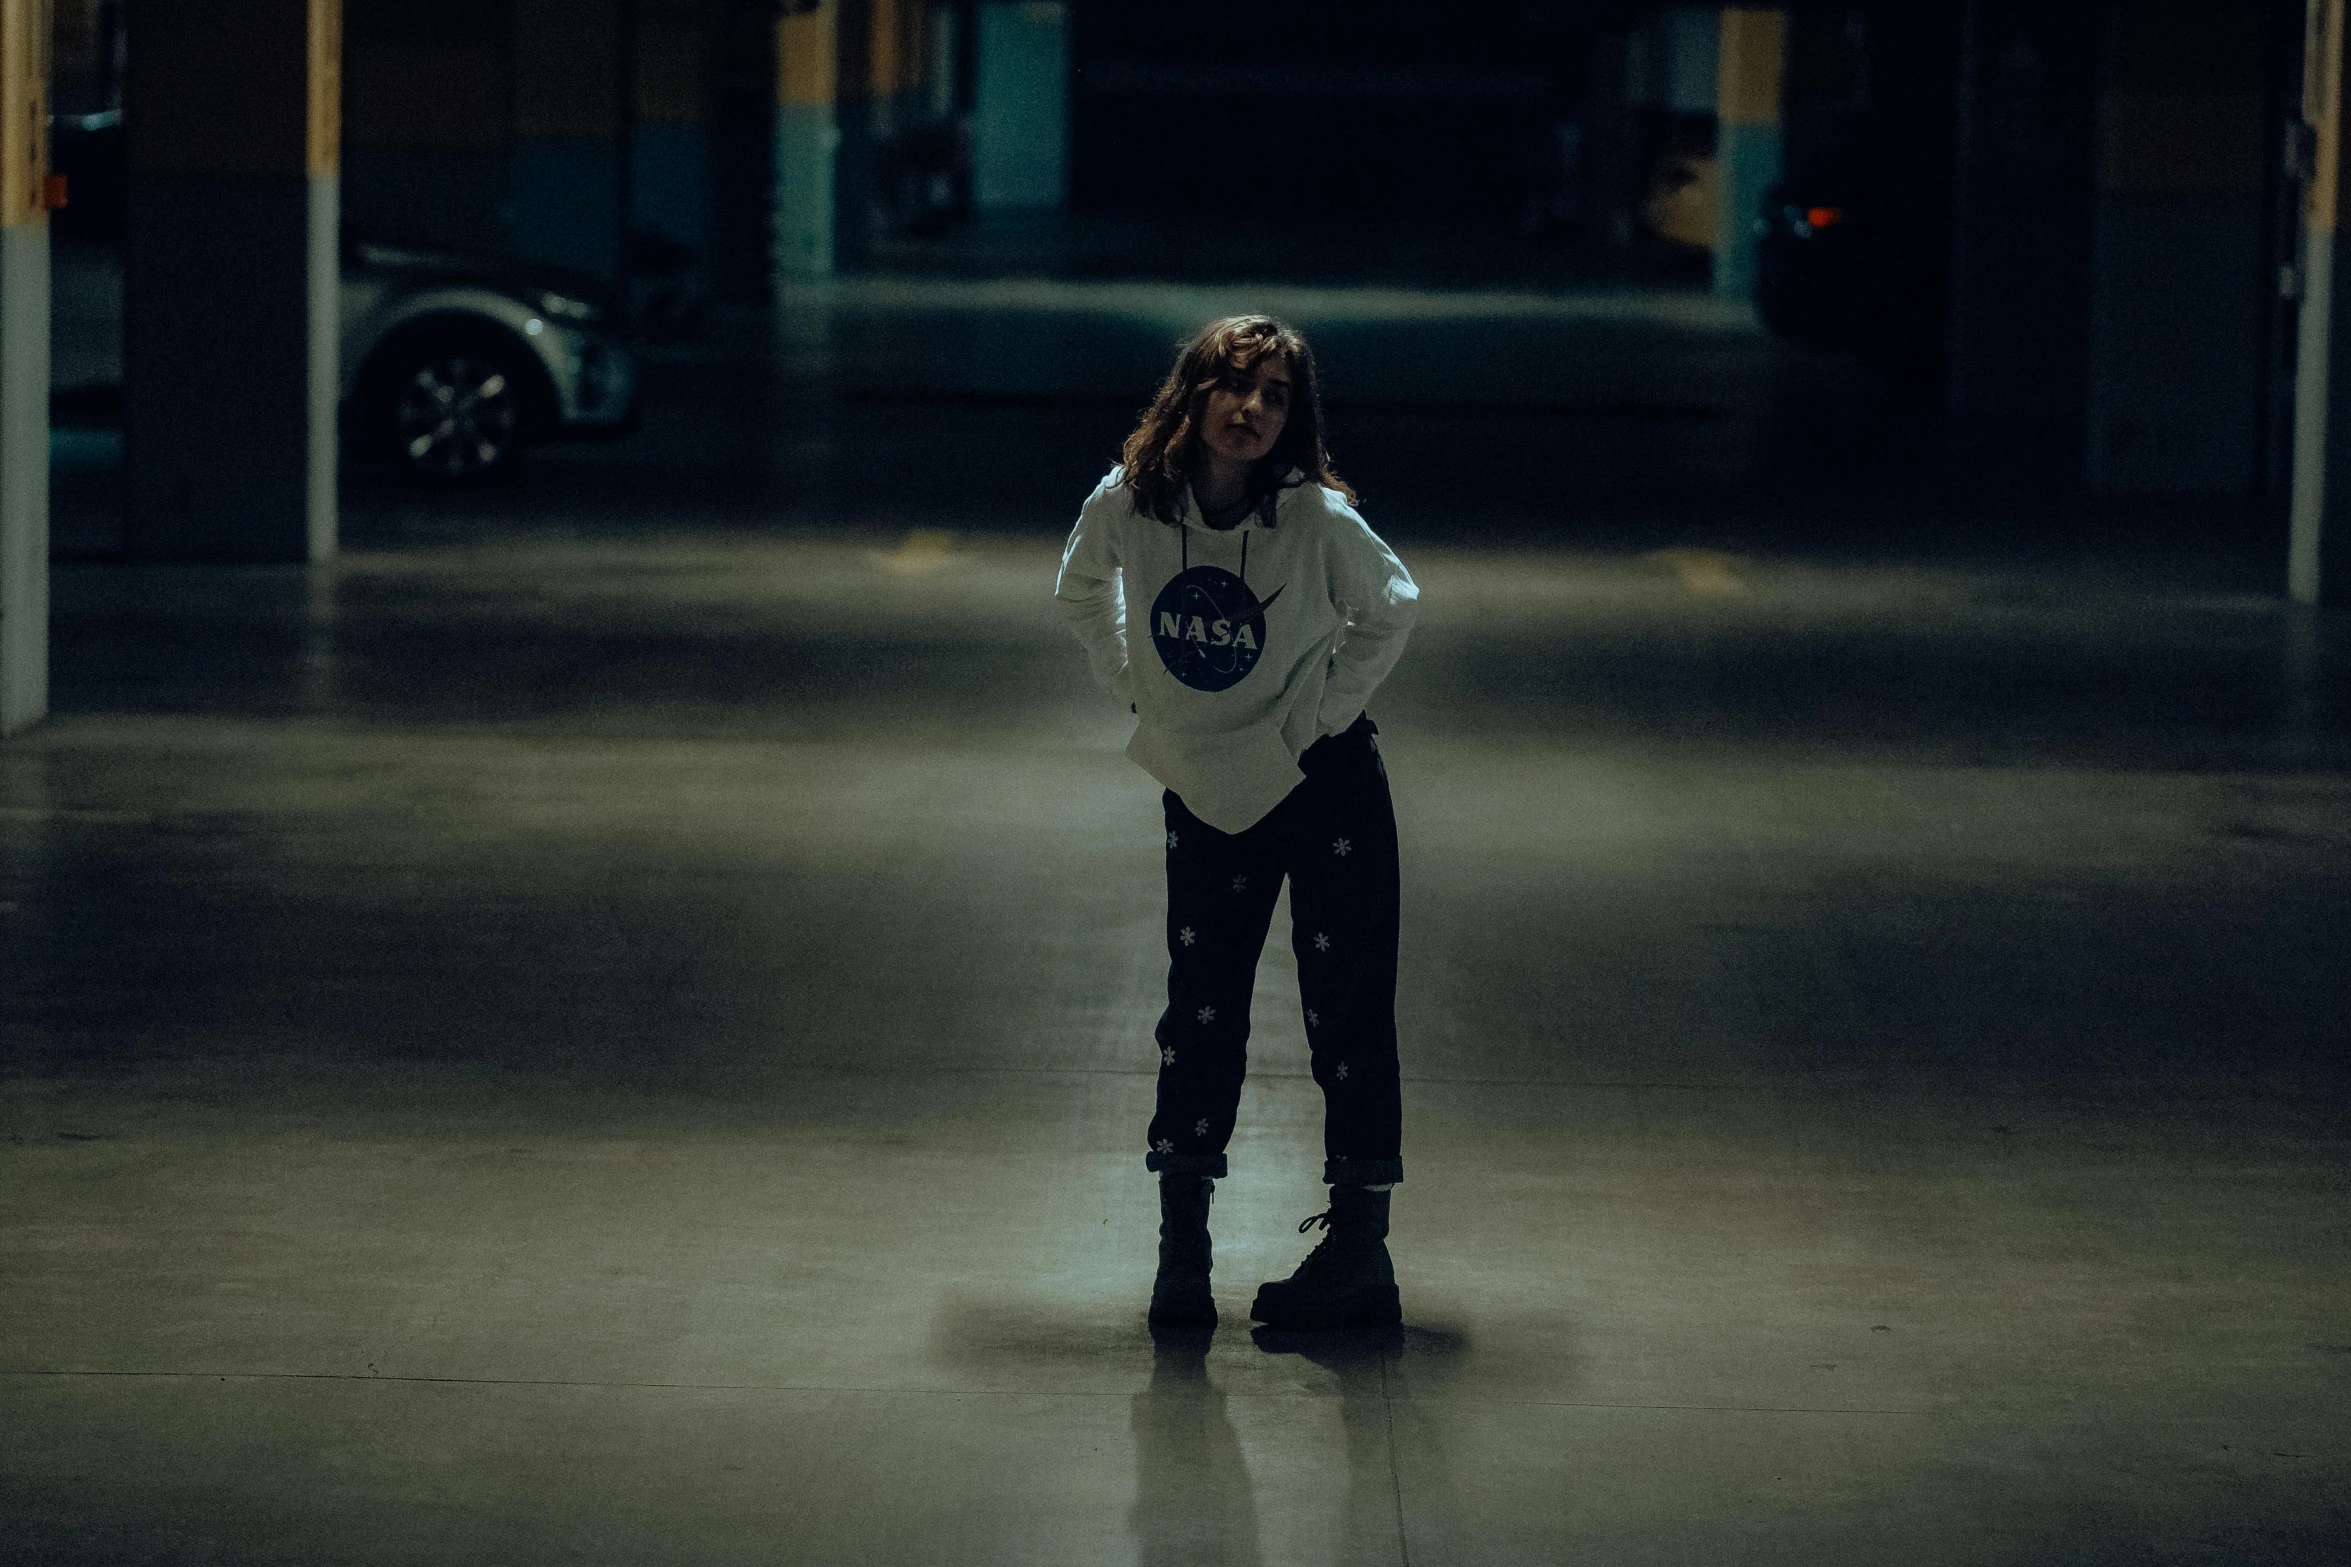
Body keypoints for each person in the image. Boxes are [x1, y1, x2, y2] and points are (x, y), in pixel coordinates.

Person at [1054, 315, 1420, 1331]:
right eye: (1234, 385)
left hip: (1325, 782)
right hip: (1207, 782)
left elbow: (1391, 606)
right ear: (1193, 393)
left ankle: (1359, 1253)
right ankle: (1182, 1251)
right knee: (1200, 1008)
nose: (1250, 408)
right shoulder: (1129, 505)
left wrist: (1314, 720)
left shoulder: (1311, 519)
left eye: (1274, 396)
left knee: (1346, 1003)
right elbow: (1079, 591)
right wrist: (1137, 684)